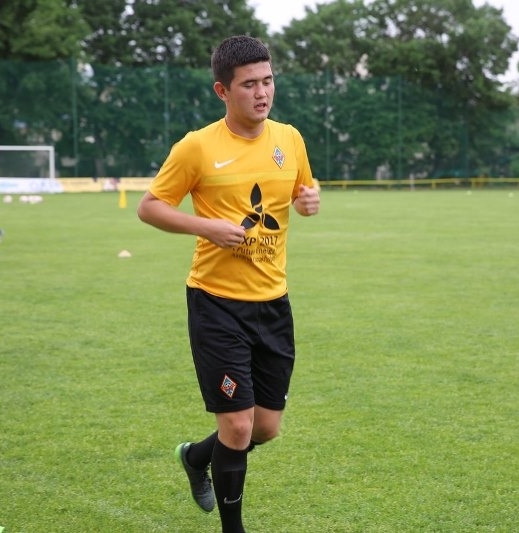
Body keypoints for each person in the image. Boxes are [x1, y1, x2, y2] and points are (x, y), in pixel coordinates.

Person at [137, 35, 320, 533]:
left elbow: (304, 188)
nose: (262, 93)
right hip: (216, 303)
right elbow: (149, 207)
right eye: (249, 85)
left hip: (273, 302)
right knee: (237, 426)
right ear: (222, 90)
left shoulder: (289, 138)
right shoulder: (197, 147)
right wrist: (207, 227)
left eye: (268, 81)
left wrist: (309, 199)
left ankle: (196, 457)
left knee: (265, 428)